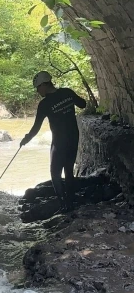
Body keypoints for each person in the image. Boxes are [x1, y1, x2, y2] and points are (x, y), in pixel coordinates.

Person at [20, 71, 87, 211]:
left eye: (38, 88)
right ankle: (71, 200)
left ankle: (64, 205)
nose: (38, 91)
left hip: (59, 141)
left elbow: (36, 127)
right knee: (69, 170)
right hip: (74, 137)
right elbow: (83, 104)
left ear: (44, 85)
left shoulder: (44, 104)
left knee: (55, 173)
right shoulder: (67, 92)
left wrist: (26, 139)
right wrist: (70, 101)